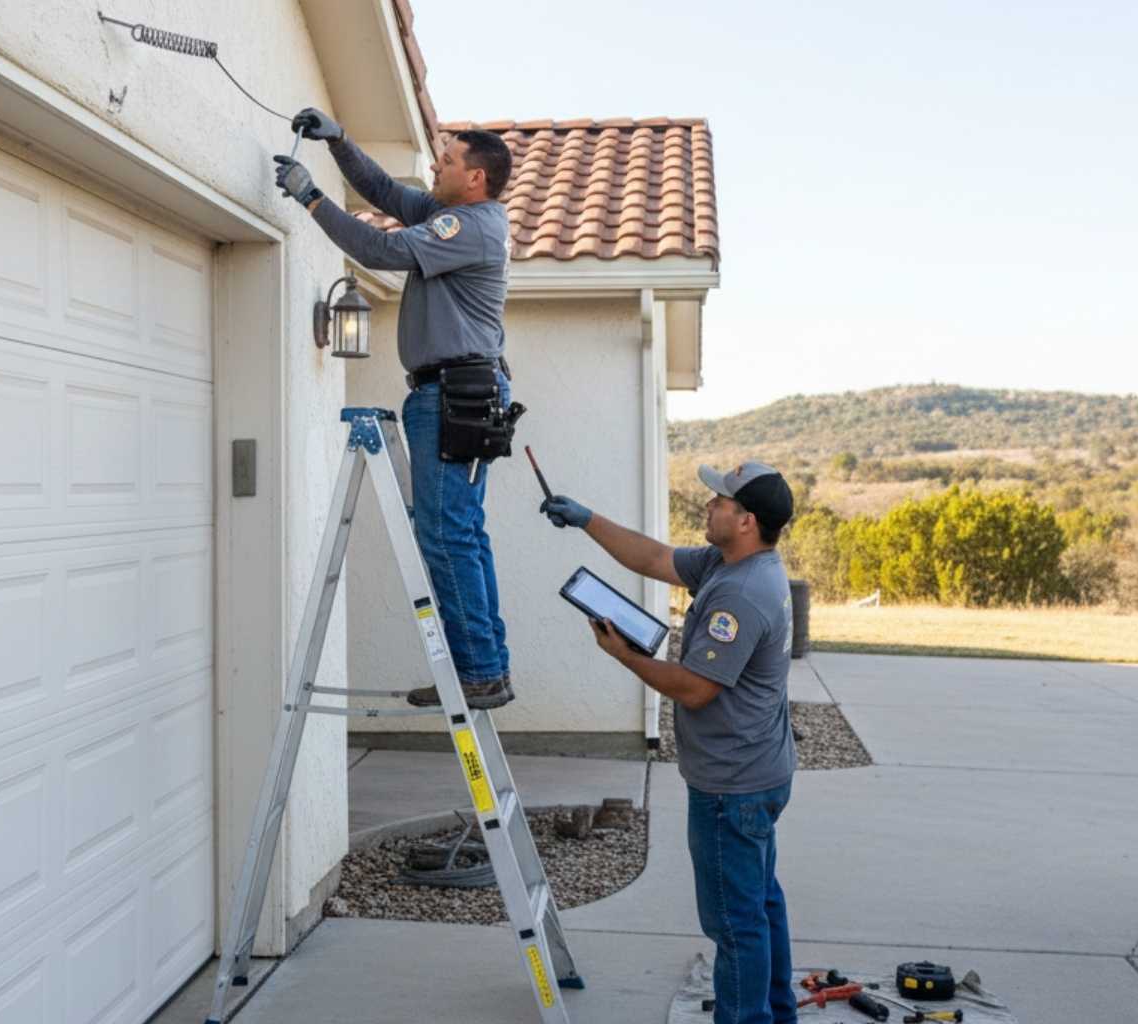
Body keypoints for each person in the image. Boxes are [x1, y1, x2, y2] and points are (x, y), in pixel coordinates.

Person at [273, 108, 517, 710]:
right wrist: (340, 140)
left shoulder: (471, 227)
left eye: (448, 161)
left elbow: (380, 249)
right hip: (460, 391)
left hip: (455, 395)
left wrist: (311, 200)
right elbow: (384, 192)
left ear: (476, 178)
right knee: (462, 533)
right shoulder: (452, 215)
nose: (436, 166)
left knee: (446, 536)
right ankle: (486, 667)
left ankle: (479, 672)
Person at [541, 463, 798, 1024]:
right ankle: (778, 1015)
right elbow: (654, 558)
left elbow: (695, 689)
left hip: (733, 786)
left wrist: (624, 655)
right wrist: (586, 519)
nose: (709, 504)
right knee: (759, 904)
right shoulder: (733, 562)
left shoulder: (742, 594)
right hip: (758, 770)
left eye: (720, 501)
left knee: (735, 924)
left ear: (747, 521)